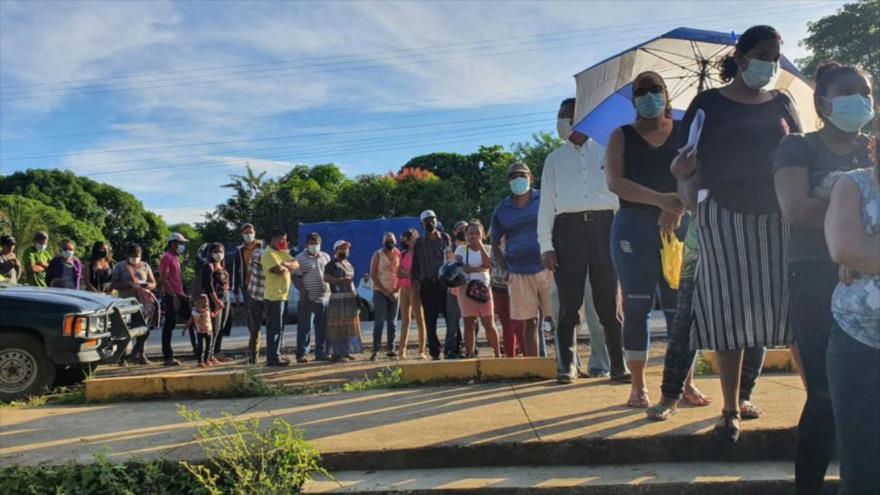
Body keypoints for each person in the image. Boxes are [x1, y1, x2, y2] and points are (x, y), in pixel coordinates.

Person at [673, 25, 802, 443]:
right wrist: (684, 177)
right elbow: (684, 167)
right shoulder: (707, 104)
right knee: (728, 314)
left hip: (780, 218)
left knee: (790, 311)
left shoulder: (782, 102)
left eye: (777, 55)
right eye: (765, 53)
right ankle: (729, 409)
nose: (772, 63)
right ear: (742, 57)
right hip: (722, 216)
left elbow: (800, 153)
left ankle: (818, 403)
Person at [773, 62, 874, 494]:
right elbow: (795, 208)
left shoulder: (873, 147)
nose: (861, 99)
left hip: (870, 284)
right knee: (824, 397)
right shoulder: (798, 147)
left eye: (866, 91)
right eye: (848, 91)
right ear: (822, 102)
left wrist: (861, 246)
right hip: (815, 276)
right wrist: (848, 236)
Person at [604, 71, 691, 408]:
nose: (650, 96)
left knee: (680, 309)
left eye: (656, 89)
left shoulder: (686, 132)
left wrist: (679, 205)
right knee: (637, 305)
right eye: (642, 91)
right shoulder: (621, 135)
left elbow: (698, 175)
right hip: (633, 229)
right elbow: (616, 182)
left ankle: (681, 384)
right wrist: (662, 200)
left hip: (680, 227)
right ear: (634, 100)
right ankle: (638, 386)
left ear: (667, 94)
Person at [538, 97, 628, 384]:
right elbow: (546, 207)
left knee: (608, 304)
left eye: (566, 115)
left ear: (582, 118)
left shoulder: (606, 149)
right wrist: (546, 246)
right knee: (568, 303)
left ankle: (618, 364)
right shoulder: (554, 159)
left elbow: (621, 195)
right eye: (560, 116)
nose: (562, 121)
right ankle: (567, 366)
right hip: (568, 231)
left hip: (605, 228)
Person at [824, 118, 879, 495]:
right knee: (862, 470)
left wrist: (868, 252)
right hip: (858, 341)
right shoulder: (853, 184)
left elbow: (858, 250)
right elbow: (844, 248)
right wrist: (857, 251)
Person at [491, 162, 552, 358]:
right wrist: (505, 270)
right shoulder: (501, 209)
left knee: (559, 319)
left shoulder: (544, 198)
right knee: (529, 322)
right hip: (517, 272)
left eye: (521, 175)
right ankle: (534, 366)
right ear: (508, 181)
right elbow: (494, 244)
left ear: (530, 178)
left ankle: (567, 365)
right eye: (513, 176)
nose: (518, 179)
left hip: (548, 267)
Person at [411, 210, 453, 360]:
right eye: (427, 221)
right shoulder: (419, 243)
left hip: (444, 282)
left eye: (432, 219)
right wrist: (416, 283)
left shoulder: (445, 238)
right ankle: (434, 351)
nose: (430, 223)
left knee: (450, 317)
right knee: (430, 319)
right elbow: (415, 265)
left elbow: (451, 259)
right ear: (422, 224)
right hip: (427, 284)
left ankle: (452, 348)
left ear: (436, 220)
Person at [455, 221, 501, 358]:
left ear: (482, 234)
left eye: (477, 233)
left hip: (483, 289)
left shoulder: (487, 248)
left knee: (489, 323)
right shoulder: (461, 249)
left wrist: (480, 246)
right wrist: (477, 269)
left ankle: (497, 354)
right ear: (466, 235)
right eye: (470, 233)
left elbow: (488, 264)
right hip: (466, 289)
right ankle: (470, 353)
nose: (473, 236)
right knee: (469, 323)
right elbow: (458, 266)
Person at [111, 243, 157, 365]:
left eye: (138, 256)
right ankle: (123, 357)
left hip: (143, 304)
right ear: (128, 255)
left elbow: (153, 283)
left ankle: (141, 354)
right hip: (126, 304)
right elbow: (114, 284)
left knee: (143, 330)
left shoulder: (145, 266)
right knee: (126, 331)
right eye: (133, 255)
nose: (135, 258)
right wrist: (128, 284)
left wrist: (147, 286)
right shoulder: (120, 266)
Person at [223, 223, 263, 358]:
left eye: (250, 232)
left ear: (255, 232)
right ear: (242, 235)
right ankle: (254, 349)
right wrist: (236, 290)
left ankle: (274, 348)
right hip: (248, 288)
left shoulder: (263, 247)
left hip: (265, 286)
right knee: (251, 318)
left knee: (269, 317)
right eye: (246, 233)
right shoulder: (239, 251)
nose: (248, 235)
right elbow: (236, 271)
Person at [261, 228, 300, 367]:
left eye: (285, 239)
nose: (283, 242)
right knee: (274, 329)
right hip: (273, 297)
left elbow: (296, 264)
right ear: (273, 238)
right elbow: (277, 270)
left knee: (280, 328)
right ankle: (272, 358)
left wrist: (286, 264)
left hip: (282, 295)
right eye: (281, 239)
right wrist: (285, 266)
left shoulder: (281, 252)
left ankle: (277, 354)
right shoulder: (268, 253)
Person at [293, 232, 331, 363]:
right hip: (308, 299)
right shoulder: (299, 258)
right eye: (312, 243)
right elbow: (295, 277)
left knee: (322, 328)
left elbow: (329, 274)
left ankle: (321, 352)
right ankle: (302, 353)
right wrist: (303, 291)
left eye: (317, 244)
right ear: (306, 244)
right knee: (305, 328)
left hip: (325, 298)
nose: (315, 246)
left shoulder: (326, 256)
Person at [325, 240, 363, 362]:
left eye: (346, 248)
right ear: (336, 250)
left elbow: (351, 282)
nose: (345, 250)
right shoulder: (331, 264)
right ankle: (337, 354)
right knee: (338, 327)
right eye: (342, 248)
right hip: (338, 299)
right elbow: (326, 277)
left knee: (348, 326)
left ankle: (346, 352)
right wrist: (340, 280)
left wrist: (356, 297)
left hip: (350, 298)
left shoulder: (348, 264)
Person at [158, 233, 190, 366]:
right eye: (180, 243)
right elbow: (163, 279)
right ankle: (168, 357)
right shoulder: (167, 257)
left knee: (193, 318)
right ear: (172, 243)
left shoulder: (176, 258)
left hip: (179, 294)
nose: (182, 246)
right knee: (169, 325)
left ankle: (200, 352)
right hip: (172, 296)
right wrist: (174, 296)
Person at [370, 232, 401, 360]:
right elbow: (373, 275)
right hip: (380, 292)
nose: (389, 242)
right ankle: (376, 350)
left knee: (392, 322)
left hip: (395, 292)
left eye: (391, 240)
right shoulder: (378, 255)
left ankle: (391, 349)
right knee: (380, 321)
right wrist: (386, 292)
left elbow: (401, 273)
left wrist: (396, 291)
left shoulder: (399, 254)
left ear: (395, 241)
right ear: (383, 242)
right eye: (387, 240)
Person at [398, 229, 427, 360]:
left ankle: (422, 350)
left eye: (408, 238)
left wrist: (408, 273)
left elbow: (417, 272)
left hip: (414, 288)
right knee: (405, 320)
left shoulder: (419, 254)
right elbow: (399, 272)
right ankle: (402, 351)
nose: (405, 241)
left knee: (419, 319)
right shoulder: (403, 254)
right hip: (403, 288)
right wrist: (408, 274)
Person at [197, 242, 229, 364]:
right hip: (214, 300)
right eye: (215, 252)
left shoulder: (221, 266)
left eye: (221, 251)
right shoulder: (208, 266)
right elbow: (208, 286)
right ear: (210, 253)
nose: (219, 254)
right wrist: (216, 301)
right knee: (213, 329)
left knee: (220, 327)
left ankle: (214, 353)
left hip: (225, 298)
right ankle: (208, 356)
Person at [489, 242, 523, 357]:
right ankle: (511, 356)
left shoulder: (514, 242)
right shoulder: (495, 244)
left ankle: (525, 354)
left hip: (511, 286)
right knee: (508, 325)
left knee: (516, 324)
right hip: (497, 287)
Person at [246, 239, 267, 364]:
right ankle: (274, 354)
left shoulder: (254, 254)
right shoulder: (267, 254)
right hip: (269, 295)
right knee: (273, 327)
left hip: (254, 294)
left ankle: (253, 356)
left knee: (255, 328)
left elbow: (249, 272)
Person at [188, 294, 216, 368]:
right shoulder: (195, 312)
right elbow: (190, 320)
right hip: (200, 331)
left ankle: (206, 360)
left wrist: (218, 309)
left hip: (208, 331)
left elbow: (213, 315)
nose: (205, 303)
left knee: (208, 347)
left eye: (206, 301)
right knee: (201, 347)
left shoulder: (208, 310)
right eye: (202, 302)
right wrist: (185, 328)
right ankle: (200, 361)